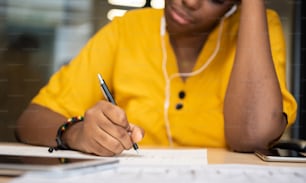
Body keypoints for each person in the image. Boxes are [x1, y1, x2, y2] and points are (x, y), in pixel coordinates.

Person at [16, 0, 297, 156]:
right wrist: (75, 134)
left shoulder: (257, 28)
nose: (190, 1)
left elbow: (252, 136)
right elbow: (31, 120)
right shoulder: (127, 30)